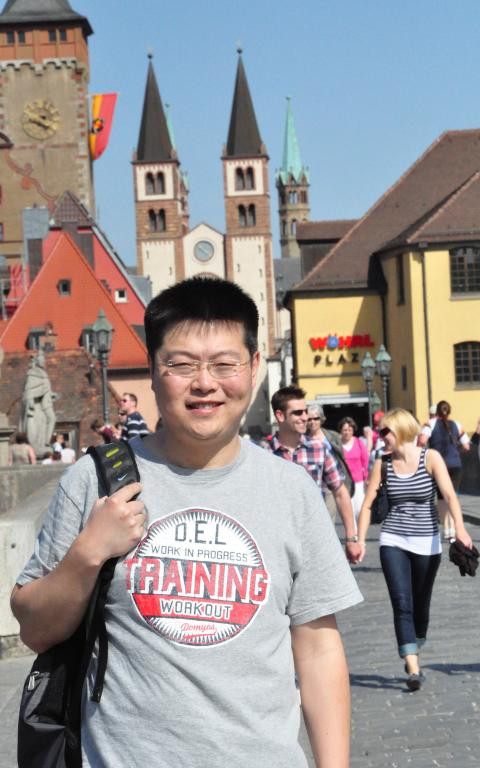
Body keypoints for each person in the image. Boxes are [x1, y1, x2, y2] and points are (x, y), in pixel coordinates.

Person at [11, 276, 362, 768]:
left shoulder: (291, 490)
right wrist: (88, 553)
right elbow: (35, 630)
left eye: (224, 364)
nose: (204, 383)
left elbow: (318, 647)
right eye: (181, 364)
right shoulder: (94, 481)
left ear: (254, 367)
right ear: (154, 371)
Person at [355, 408, 473, 692]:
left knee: (421, 603)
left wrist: (460, 528)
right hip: (393, 540)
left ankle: (415, 639)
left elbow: (449, 495)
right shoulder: (382, 463)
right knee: (401, 602)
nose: (381, 436)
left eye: (386, 431)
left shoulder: (430, 458)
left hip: (426, 542)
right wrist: (359, 540)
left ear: (401, 430)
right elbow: (368, 504)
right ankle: (412, 665)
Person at [268, 386, 360, 563]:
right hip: (276, 541)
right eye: (297, 413)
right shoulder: (265, 453)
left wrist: (351, 538)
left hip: (313, 538)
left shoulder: (319, 449)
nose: (305, 417)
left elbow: (340, 493)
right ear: (280, 416)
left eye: (305, 411)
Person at [419, 400, 470, 540]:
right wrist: (456, 452)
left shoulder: (430, 423)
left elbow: (422, 441)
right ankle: (453, 527)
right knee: (453, 496)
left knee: (442, 497)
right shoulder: (457, 424)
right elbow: (466, 446)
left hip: (439, 464)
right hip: (456, 464)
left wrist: (426, 453)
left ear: (435, 412)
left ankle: (447, 529)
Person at [306, 404, 354, 523]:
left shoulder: (333, 436)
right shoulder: (302, 438)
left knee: (328, 519)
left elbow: (341, 458)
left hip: (330, 483)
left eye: (316, 418)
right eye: (309, 419)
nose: (312, 422)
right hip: (311, 484)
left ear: (322, 419)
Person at [338, 417, 369, 522]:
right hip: (343, 482)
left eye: (350, 430)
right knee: (348, 510)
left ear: (353, 430)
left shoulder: (358, 442)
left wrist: (366, 477)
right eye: (345, 430)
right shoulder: (338, 444)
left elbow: (365, 461)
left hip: (358, 481)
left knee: (359, 509)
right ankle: (353, 531)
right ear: (341, 431)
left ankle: (360, 530)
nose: (347, 432)